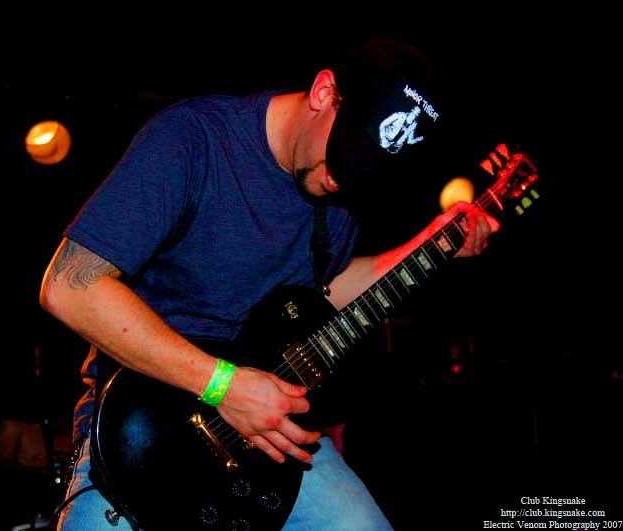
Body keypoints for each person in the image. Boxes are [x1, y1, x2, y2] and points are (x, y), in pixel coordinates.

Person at [40, 37, 500, 530]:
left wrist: (431, 244)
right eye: (344, 156)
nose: (342, 180)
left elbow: (326, 291)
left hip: (265, 428)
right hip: (146, 429)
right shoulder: (194, 138)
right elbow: (68, 287)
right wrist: (223, 385)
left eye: (365, 170)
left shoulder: (339, 193)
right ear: (323, 92)